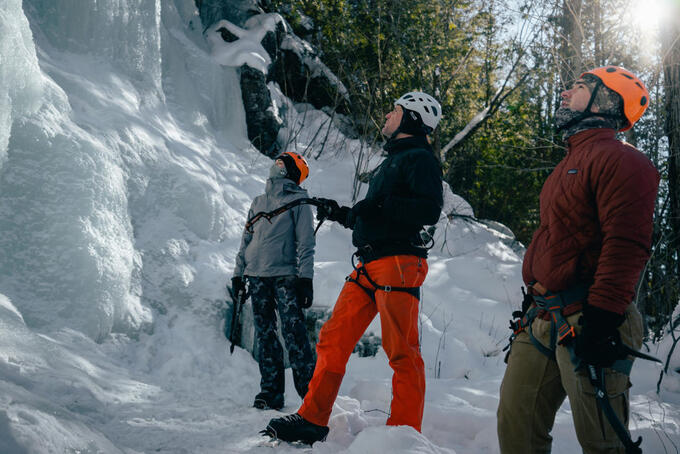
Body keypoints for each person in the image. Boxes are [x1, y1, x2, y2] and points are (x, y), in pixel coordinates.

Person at [262, 92, 444, 444]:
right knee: (333, 338)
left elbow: (428, 210)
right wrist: (344, 214)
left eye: (395, 110)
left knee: (402, 353)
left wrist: (376, 207)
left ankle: (403, 437)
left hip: (398, 264)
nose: (387, 115)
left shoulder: (420, 159)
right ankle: (313, 418)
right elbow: (376, 214)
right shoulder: (392, 160)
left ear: (413, 118)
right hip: (370, 263)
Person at [497, 66, 659, 453]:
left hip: (590, 318)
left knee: (603, 444)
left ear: (607, 100)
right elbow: (559, 238)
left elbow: (627, 244)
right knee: (515, 429)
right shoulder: (568, 162)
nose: (567, 92)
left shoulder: (624, 161)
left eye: (580, 87)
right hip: (543, 316)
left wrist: (602, 319)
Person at [232, 151, 316, 410]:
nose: (276, 164)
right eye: (277, 160)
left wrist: (306, 278)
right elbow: (246, 240)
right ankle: (271, 393)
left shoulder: (300, 203)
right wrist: (238, 274)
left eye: (283, 162)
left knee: (295, 335)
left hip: (285, 277)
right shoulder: (258, 202)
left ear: (291, 172)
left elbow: (306, 244)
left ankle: (311, 397)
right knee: (266, 336)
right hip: (257, 277)